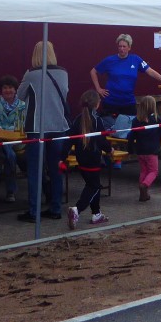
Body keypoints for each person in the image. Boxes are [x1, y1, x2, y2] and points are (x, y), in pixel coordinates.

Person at [17, 41, 70, 224]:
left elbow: (20, 96)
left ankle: (34, 210)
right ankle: (56, 208)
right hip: (58, 126)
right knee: (56, 169)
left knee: (34, 170)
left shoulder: (31, 74)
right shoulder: (63, 73)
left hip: (36, 127)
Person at [91, 33, 161, 119]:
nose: (121, 49)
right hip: (111, 102)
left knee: (129, 126)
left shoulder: (135, 59)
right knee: (110, 126)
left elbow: (150, 71)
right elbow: (93, 72)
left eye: (124, 46)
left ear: (129, 47)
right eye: (120, 46)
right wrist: (98, 89)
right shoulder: (110, 60)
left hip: (128, 103)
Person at [67, 88, 110, 229]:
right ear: (97, 104)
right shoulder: (97, 120)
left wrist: (62, 156)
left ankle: (96, 213)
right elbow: (102, 140)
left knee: (92, 184)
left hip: (81, 158)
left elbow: (70, 139)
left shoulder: (77, 119)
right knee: (94, 186)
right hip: (93, 159)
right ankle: (77, 209)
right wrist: (110, 150)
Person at [0, 75, 28, 203]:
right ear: (1, 89)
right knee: (10, 155)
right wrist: (7, 133)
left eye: (10, 87)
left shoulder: (22, 105)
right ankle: (11, 191)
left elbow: (21, 125)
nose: (8, 90)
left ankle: (11, 191)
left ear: (15, 89)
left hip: (17, 143)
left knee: (10, 154)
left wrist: (6, 132)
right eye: (5, 87)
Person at [127, 94, 161, 202]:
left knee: (144, 171)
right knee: (153, 171)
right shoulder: (156, 119)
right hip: (152, 151)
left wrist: (130, 149)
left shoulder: (136, 120)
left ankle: (143, 194)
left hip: (140, 150)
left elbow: (131, 136)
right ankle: (145, 185)